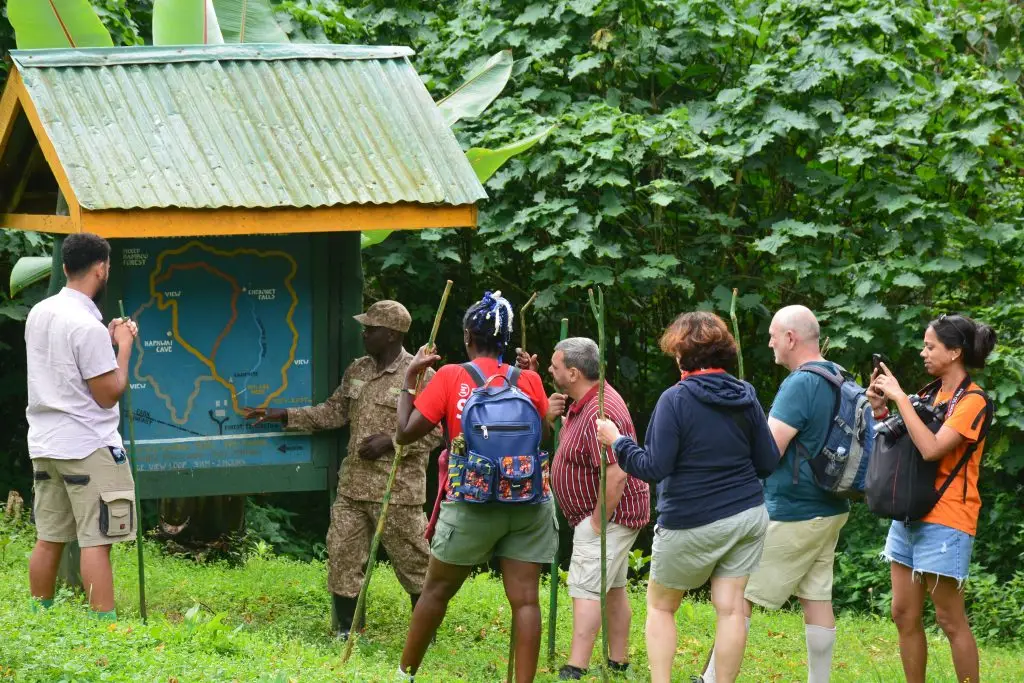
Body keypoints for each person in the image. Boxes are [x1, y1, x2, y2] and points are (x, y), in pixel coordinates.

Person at [595, 311, 777, 683]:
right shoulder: (746, 395)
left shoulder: (675, 399)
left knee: (661, 607)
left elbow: (653, 467)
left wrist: (617, 441)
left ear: (682, 355)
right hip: (747, 515)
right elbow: (769, 461)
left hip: (689, 520)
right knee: (731, 609)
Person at [244, 300, 439, 639]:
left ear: (392, 334)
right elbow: (334, 412)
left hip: (397, 492)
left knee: (415, 564)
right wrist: (284, 415)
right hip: (353, 487)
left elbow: (437, 432)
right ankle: (347, 631)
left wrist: (392, 442)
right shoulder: (358, 369)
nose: (364, 334)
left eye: (371, 329)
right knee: (342, 556)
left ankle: (425, 633)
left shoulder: (421, 375)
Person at [393, 290, 556, 683]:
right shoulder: (529, 379)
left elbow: (404, 433)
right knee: (526, 601)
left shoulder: (451, 376)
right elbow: (545, 438)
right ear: (506, 339)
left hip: (471, 502)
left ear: (468, 336)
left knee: (435, 591)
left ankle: (405, 676)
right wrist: (531, 381)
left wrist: (409, 379)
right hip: (527, 500)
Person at [869, 314, 995, 683]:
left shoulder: (973, 401)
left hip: (947, 519)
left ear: (954, 352)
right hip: (910, 514)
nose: (923, 353)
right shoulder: (929, 394)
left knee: (949, 618)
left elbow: (932, 449)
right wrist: (881, 409)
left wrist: (900, 398)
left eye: (930, 346)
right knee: (903, 613)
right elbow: (903, 446)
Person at [730, 305, 849, 683]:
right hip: (831, 506)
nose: (770, 344)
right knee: (816, 596)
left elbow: (770, 452)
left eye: (772, 336)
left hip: (794, 510)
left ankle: (714, 676)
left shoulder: (800, 383)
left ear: (791, 338)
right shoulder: (838, 375)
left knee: (736, 592)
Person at [25, 232, 139, 620]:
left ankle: (40, 618)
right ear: (101, 268)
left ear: (64, 267)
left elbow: (65, 365)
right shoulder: (86, 326)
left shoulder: (41, 313)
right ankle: (104, 630)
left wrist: (104, 340)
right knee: (97, 539)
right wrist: (123, 347)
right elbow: (108, 394)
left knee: (49, 538)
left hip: (45, 444)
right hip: (87, 446)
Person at [530, 337, 650, 680]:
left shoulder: (601, 410)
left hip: (609, 517)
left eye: (554, 366)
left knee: (585, 588)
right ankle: (618, 660)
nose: (550, 370)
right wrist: (554, 418)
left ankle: (576, 666)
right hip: (612, 515)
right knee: (613, 589)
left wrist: (596, 523)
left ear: (573, 373)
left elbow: (617, 472)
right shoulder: (584, 402)